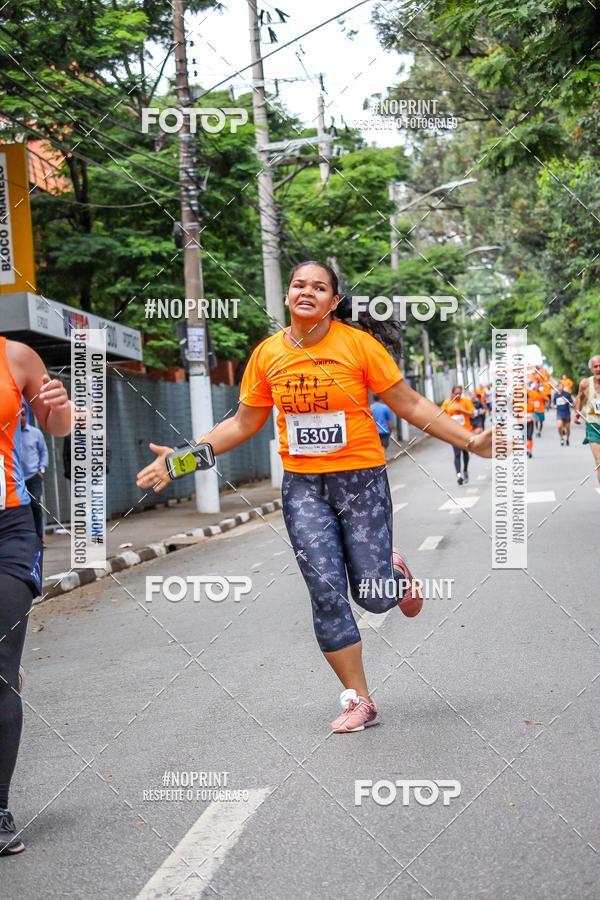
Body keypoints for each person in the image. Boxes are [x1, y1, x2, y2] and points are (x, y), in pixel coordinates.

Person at [137, 261, 493, 734]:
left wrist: (469, 441)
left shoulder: (358, 346)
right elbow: (242, 423)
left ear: (333, 301)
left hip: (360, 480)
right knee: (325, 591)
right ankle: (359, 699)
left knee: (373, 595)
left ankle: (395, 572)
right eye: (299, 285)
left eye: (319, 287)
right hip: (304, 486)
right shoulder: (267, 355)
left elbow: (409, 402)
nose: (308, 291)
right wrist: (180, 459)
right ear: (287, 296)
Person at [0, 337, 72, 856]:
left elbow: (59, 426)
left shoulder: (15, 357)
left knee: (1, 663)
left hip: (8, 528)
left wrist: (60, 409)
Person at [18, 406, 49, 542]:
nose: (20, 416)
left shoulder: (36, 433)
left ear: (27, 414)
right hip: (16, 478)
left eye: (23, 413)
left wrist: (41, 469)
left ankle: (38, 538)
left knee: (35, 504)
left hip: (33, 476)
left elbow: (44, 451)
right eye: (18, 414)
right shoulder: (11, 434)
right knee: (19, 508)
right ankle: (25, 539)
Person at [441, 386, 476, 485]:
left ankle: (465, 470)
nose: (458, 395)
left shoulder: (466, 401)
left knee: (465, 453)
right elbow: (441, 415)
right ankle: (458, 475)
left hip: (465, 432)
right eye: (456, 393)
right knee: (457, 454)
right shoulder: (447, 402)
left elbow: (473, 415)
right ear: (452, 393)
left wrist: (462, 410)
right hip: (453, 433)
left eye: (459, 393)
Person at [574, 355, 600, 483]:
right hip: (593, 427)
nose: (598, 369)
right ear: (591, 369)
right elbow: (579, 397)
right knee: (599, 461)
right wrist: (577, 412)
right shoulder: (585, 383)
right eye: (596, 366)